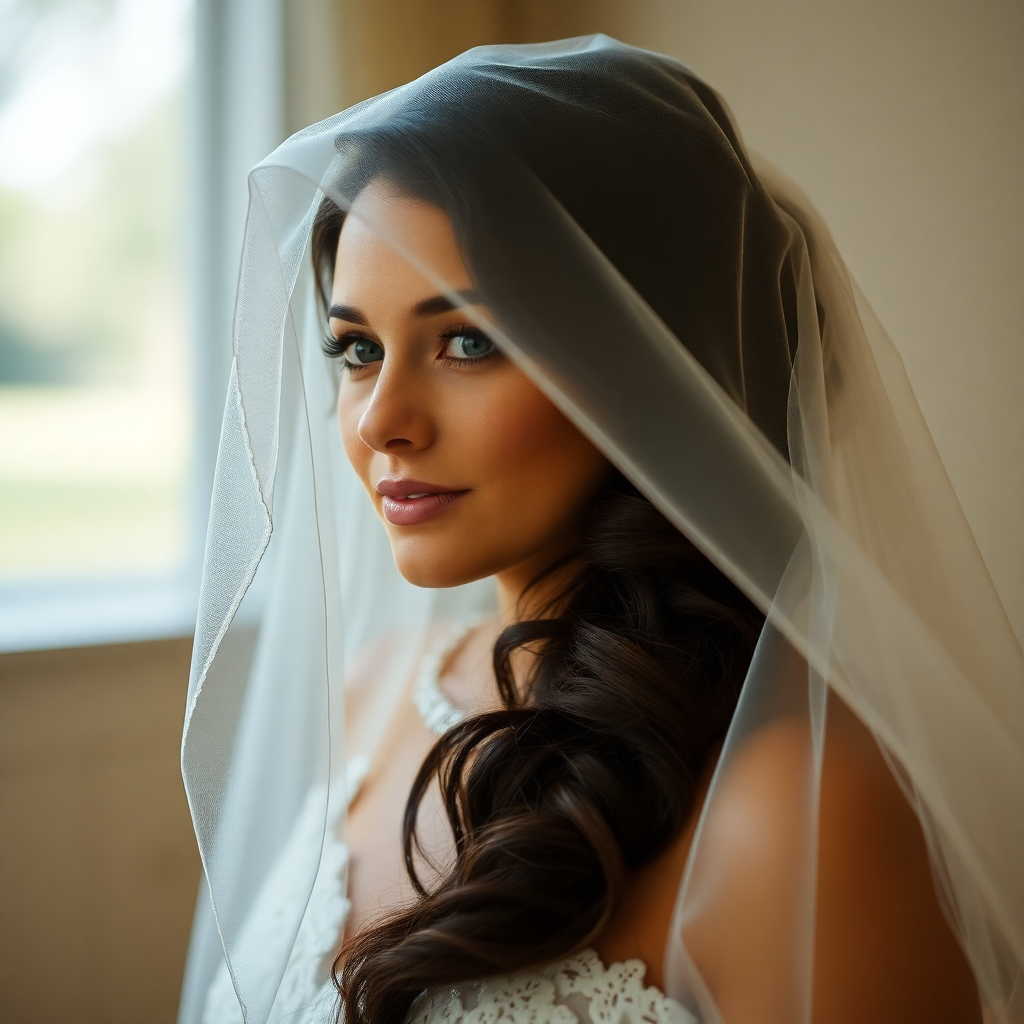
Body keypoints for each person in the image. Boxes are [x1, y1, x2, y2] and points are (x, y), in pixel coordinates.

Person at [178, 36, 1024, 1024]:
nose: (379, 422)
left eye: (468, 341)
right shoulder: (370, 693)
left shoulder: (801, 809)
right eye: (358, 348)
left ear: (648, 363)